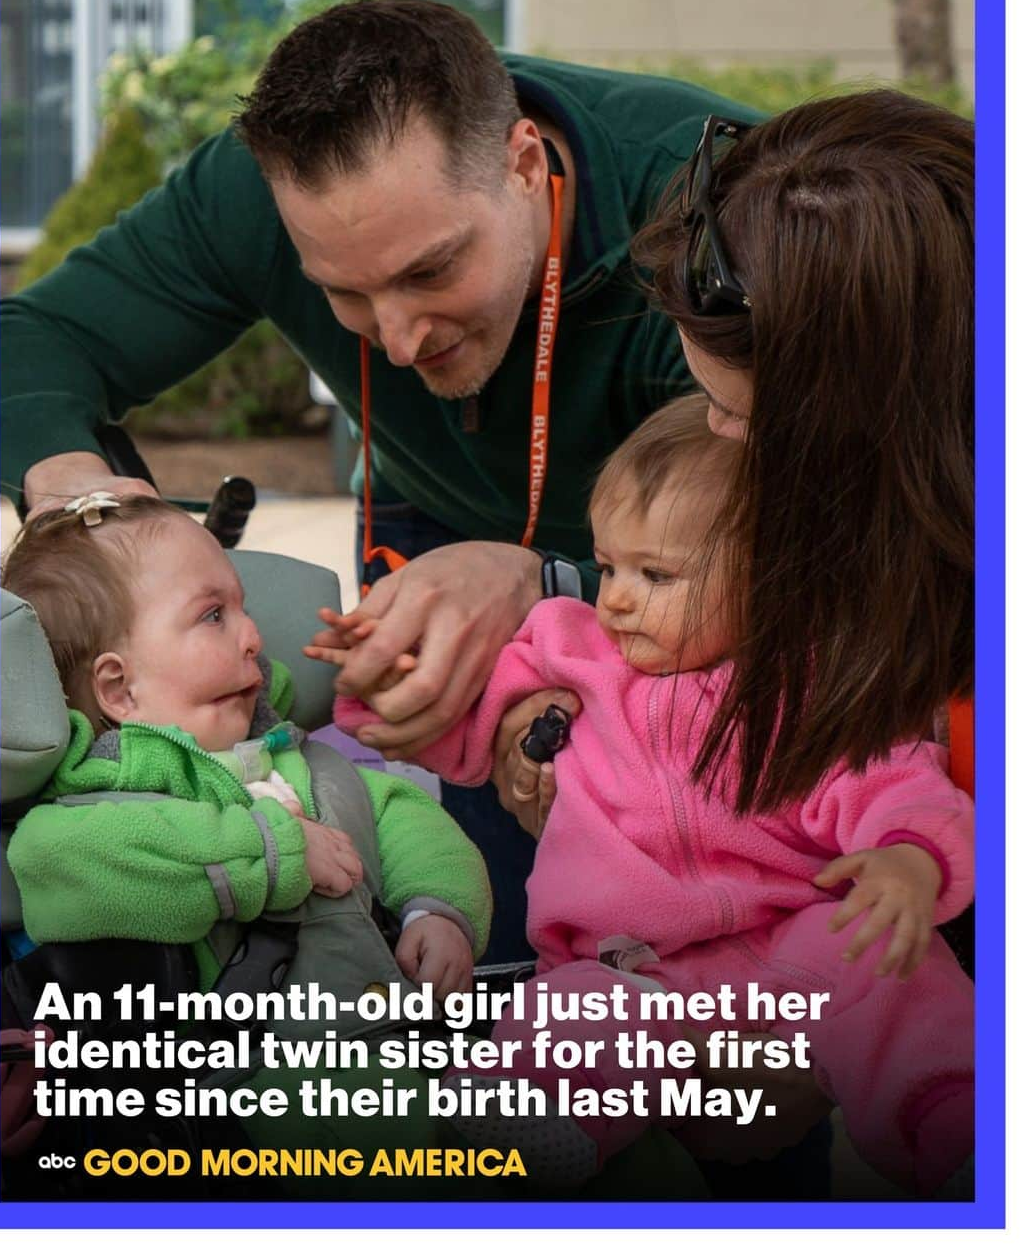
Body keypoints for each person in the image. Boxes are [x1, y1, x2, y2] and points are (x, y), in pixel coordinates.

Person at [0, 0, 762, 958]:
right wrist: (71, 479)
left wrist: (554, 586)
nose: (399, 341)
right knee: (497, 912)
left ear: (525, 166)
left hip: (697, 572)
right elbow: (26, 343)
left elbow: (819, 544)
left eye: (431, 271)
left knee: (719, 937)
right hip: (433, 515)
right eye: (344, 293)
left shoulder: (708, 221)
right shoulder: (255, 196)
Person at [328, 395, 975, 1197]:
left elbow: (897, 784)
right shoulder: (570, 652)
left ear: (773, 577)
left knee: (897, 976)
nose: (617, 598)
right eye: (608, 566)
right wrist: (382, 687)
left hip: (793, 945)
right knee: (563, 1015)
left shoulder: (805, 690)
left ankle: (960, 1135)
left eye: (656, 574)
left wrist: (909, 864)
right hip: (627, 963)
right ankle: (533, 1119)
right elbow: (462, 728)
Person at [0, 494, 493, 1175]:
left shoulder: (304, 761)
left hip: (398, 1033)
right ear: (119, 690)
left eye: (244, 607)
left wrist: (438, 908)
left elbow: (406, 817)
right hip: (241, 1090)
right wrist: (273, 851)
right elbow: (65, 863)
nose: (255, 635)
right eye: (213, 615)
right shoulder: (90, 811)